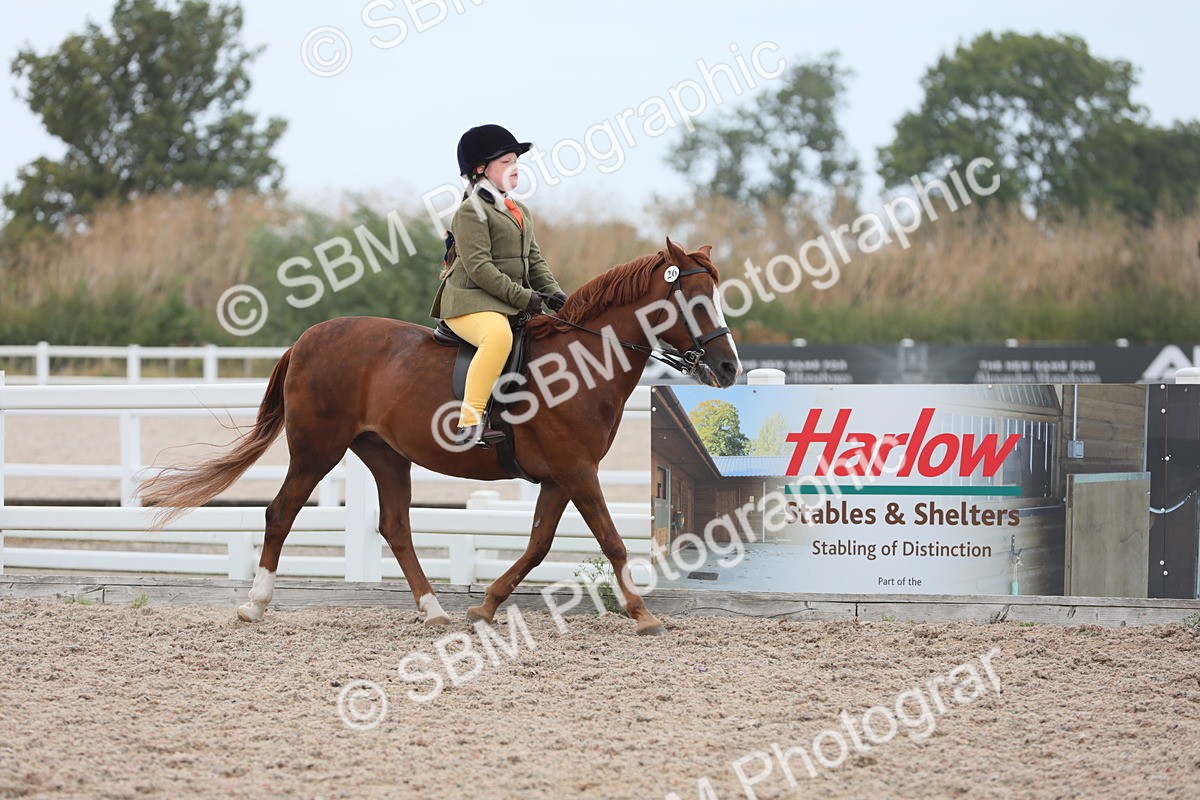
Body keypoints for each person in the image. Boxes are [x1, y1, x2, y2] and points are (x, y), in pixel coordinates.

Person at [430, 124, 568, 447]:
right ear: (480, 169)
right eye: (506, 162)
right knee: (498, 336)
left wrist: (557, 294)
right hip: (468, 302)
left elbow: (534, 261)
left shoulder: (520, 211)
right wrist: (525, 298)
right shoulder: (470, 212)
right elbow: (480, 269)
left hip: (501, 301)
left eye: (515, 161)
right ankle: (469, 421)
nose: (515, 167)